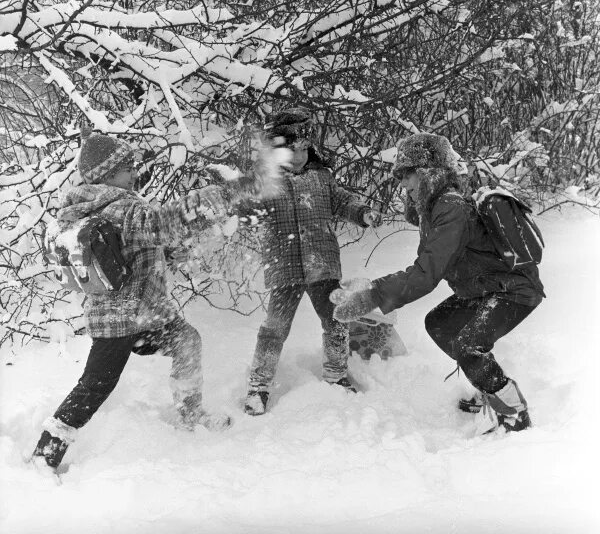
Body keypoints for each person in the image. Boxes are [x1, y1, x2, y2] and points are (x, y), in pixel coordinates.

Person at [32, 132, 278, 470]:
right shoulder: (126, 207)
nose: (133, 173)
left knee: (186, 340)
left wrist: (171, 254)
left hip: (138, 315)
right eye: (126, 167)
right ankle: (45, 454)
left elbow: (137, 249)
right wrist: (233, 192)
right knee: (95, 387)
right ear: (108, 173)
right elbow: (173, 219)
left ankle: (191, 416)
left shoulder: (76, 212)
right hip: (125, 318)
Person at [329, 133, 544, 433]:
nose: (403, 184)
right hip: (485, 289)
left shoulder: (451, 208)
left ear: (428, 172)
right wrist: (373, 288)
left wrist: (374, 294)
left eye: (407, 174)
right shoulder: (436, 210)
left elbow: (425, 275)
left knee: (469, 345)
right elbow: (425, 266)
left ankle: (514, 413)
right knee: (440, 322)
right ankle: (486, 385)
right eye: (400, 176)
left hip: (513, 290)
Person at [242, 108, 379, 416]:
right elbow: (247, 209)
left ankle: (336, 374)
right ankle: (258, 387)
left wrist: (362, 212)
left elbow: (343, 200)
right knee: (274, 327)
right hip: (285, 265)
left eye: (302, 149)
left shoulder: (322, 178)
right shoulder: (266, 182)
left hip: (322, 265)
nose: (297, 156)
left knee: (335, 319)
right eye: (289, 150)